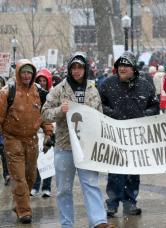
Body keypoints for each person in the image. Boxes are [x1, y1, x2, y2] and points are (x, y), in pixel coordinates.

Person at [41, 52, 115, 228]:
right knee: (64, 190)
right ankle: (67, 224)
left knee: (90, 184)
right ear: (69, 69)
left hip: (87, 148)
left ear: (85, 69)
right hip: (65, 146)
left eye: (79, 67)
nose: (76, 71)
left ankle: (98, 222)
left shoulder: (92, 89)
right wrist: (60, 110)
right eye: (73, 68)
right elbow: (44, 113)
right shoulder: (59, 89)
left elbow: (100, 116)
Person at [99, 51, 159, 217]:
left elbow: (154, 106)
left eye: (126, 65)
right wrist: (113, 114)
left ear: (133, 68)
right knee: (116, 172)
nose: (122, 68)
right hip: (115, 136)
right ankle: (112, 203)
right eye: (120, 65)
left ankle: (130, 202)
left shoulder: (145, 85)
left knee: (133, 171)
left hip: (136, 137)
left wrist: (144, 115)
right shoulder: (107, 84)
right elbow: (98, 105)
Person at [0, 59, 54, 224]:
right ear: (18, 73)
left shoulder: (39, 92)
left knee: (30, 176)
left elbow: (45, 115)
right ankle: (24, 211)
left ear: (33, 74)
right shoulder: (7, 92)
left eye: (29, 72)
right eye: (23, 72)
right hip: (12, 139)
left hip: (31, 140)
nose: (26, 75)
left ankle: (19, 204)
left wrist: (48, 134)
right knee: (19, 177)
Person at [31, 68, 54, 197]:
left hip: (48, 131)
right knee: (35, 160)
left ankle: (47, 187)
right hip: (36, 131)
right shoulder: (33, 93)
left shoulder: (52, 94)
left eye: (44, 80)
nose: (42, 82)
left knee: (47, 160)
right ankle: (35, 185)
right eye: (39, 80)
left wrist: (50, 131)